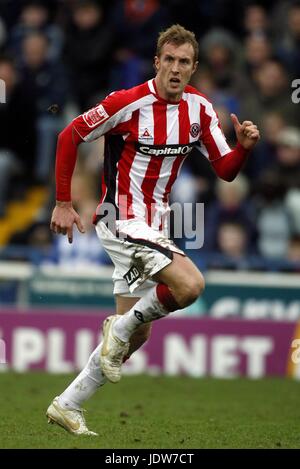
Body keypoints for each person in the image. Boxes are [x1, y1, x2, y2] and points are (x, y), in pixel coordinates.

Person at [46, 24, 260, 435]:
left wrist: (244, 149)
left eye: (184, 62)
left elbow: (225, 171)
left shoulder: (200, 110)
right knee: (190, 286)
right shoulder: (127, 103)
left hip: (154, 224)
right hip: (119, 218)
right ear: (156, 62)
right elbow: (69, 134)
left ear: (194, 67)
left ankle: (68, 404)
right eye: (169, 60)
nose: (175, 69)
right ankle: (118, 329)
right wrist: (62, 201)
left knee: (136, 335)